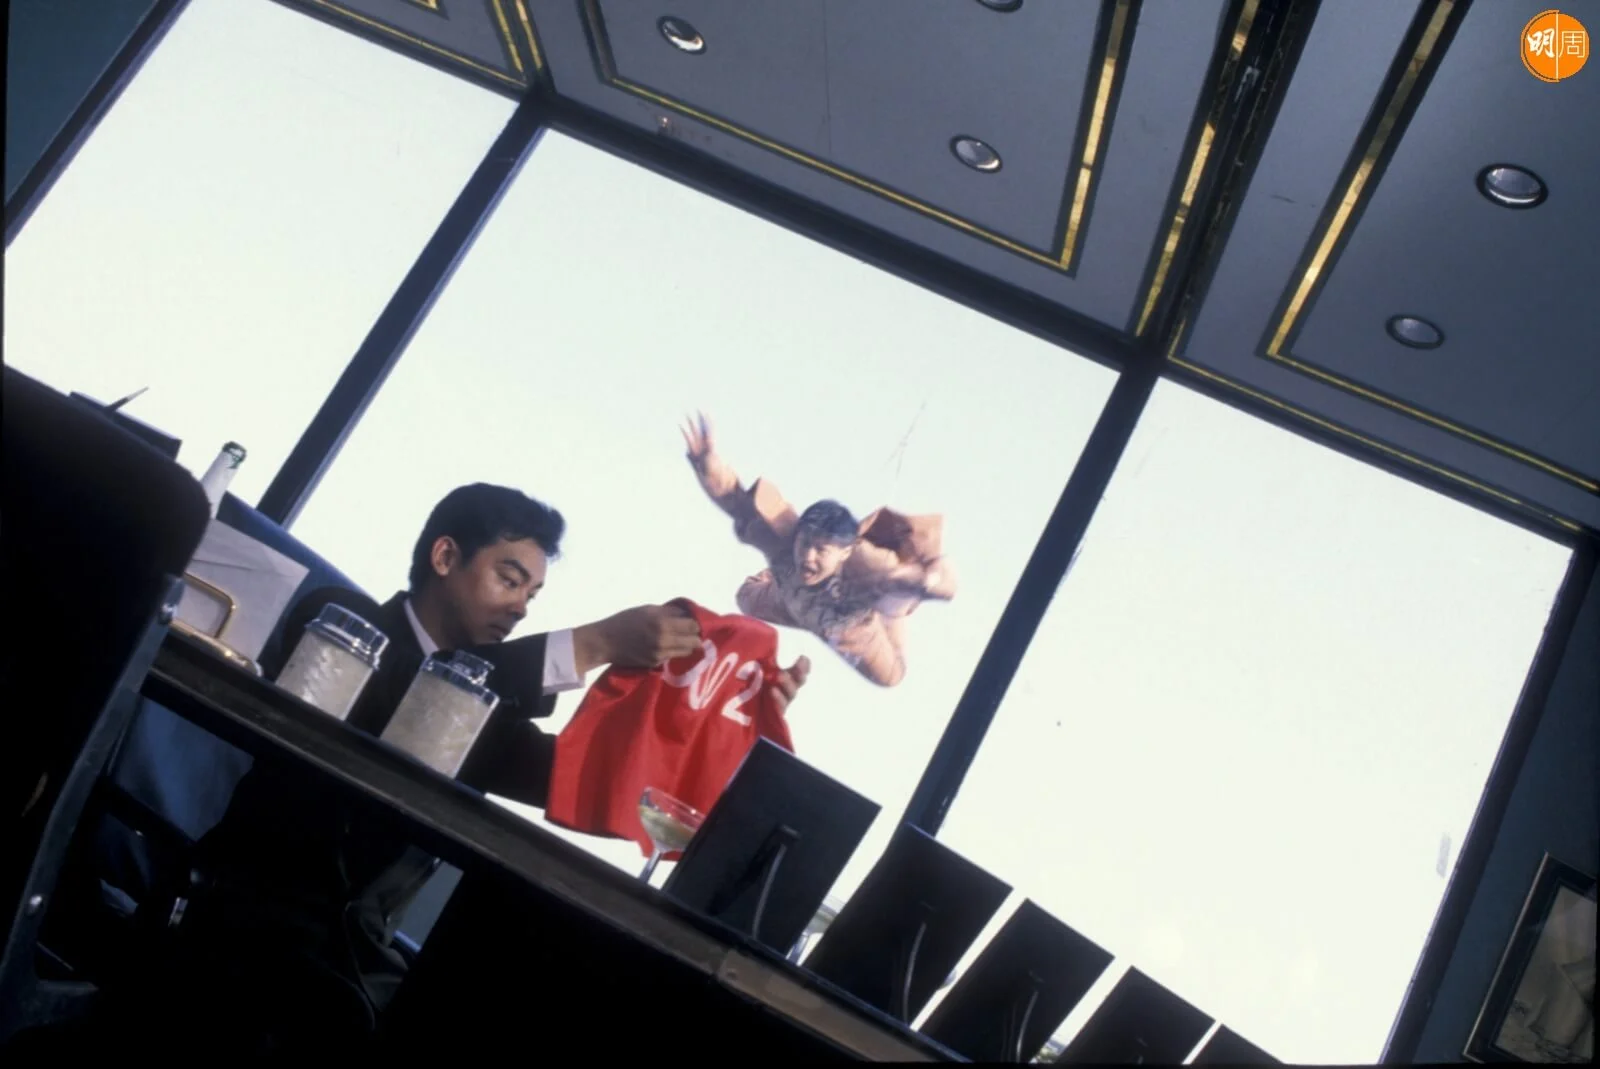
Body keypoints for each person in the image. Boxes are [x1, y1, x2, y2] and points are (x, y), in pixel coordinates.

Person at [76, 483, 811, 1056]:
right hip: (240, 935)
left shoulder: (485, 711)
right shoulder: (341, 619)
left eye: (532, 595)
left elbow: (593, 781)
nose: (520, 607)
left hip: (347, 968)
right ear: (445, 556)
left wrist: (731, 722)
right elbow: (406, 699)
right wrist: (589, 644)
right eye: (509, 579)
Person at [681, 413, 956, 686]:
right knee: (745, 598)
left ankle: (890, 608)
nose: (808, 557)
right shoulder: (785, 539)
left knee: (892, 676)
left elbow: (946, 587)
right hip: (787, 601)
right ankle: (782, 577)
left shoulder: (867, 565)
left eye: (821, 550)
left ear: (844, 553)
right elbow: (735, 501)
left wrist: (924, 580)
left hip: (848, 626)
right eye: (805, 544)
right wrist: (706, 464)